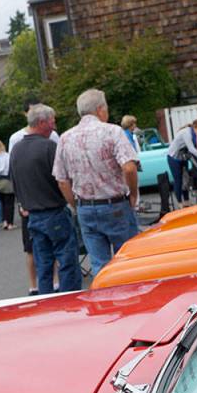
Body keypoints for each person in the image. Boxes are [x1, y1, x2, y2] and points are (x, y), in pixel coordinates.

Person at [53, 88, 139, 275]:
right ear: (100, 109)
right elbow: (129, 167)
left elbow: (61, 180)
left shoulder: (65, 138)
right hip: (115, 204)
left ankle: (105, 298)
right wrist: (133, 194)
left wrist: (75, 205)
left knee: (99, 265)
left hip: (86, 207)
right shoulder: (112, 132)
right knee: (129, 260)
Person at [10, 104, 82, 294]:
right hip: (54, 211)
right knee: (67, 261)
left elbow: (14, 180)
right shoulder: (49, 147)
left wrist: (23, 203)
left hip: (33, 216)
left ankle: (45, 300)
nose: (54, 125)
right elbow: (62, 180)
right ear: (42, 122)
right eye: (52, 121)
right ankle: (70, 299)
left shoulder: (16, 149)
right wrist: (73, 203)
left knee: (44, 263)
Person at [166, 121, 197, 206]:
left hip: (183, 157)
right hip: (173, 157)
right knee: (178, 180)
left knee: (186, 179)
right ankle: (179, 202)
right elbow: (192, 149)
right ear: (195, 128)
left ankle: (186, 200)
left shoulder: (193, 133)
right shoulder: (186, 133)